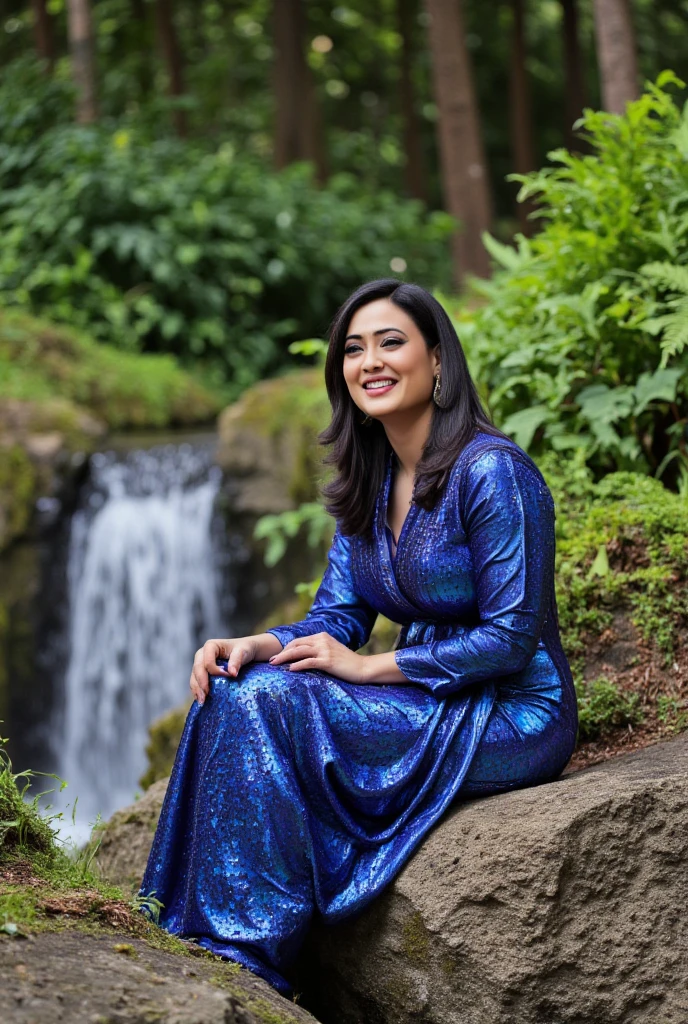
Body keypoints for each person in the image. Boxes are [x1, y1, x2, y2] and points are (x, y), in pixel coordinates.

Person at [139, 279, 578, 996]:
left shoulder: (494, 472)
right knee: (236, 689)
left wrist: (372, 668)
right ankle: (192, 926)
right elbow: (335, 621)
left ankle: (247, 952)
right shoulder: (369, 483)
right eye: (353, 348)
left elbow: (509, 640)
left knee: (271, 707)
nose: (369, 360)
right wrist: (259, 644)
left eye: (390, 342)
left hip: (511, 711)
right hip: (425, 697)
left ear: (438, 362)